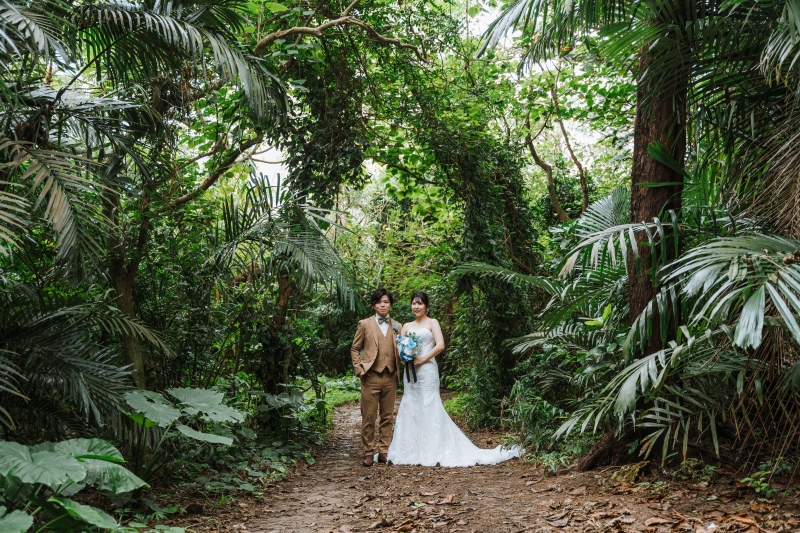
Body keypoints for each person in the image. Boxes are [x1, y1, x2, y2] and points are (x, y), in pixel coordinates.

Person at [387, 291, 522, 467]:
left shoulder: (432, 322)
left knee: (429, 403)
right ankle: (409, 450)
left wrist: (422, 359)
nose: (416, 306)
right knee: (411, 404)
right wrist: (406, 356)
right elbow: (399, 347)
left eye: (420, 303)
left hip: (427, 370)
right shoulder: (406, 326)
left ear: (426, 306)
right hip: (411, 372)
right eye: (414, 303)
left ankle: (433, 449)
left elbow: (440, 345)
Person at [350, 288, 402, 467]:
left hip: (391, 376)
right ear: (373, 305)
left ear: (390, 305)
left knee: (387, 416)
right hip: (370, 376)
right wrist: (360, 370)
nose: (383, 305)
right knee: (369, 416)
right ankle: (368, 452)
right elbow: (355, 348)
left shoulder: (397, 326)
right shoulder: (364, 324)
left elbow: (402, 349)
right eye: (379, 302)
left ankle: (383, 450)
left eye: (386, 302)